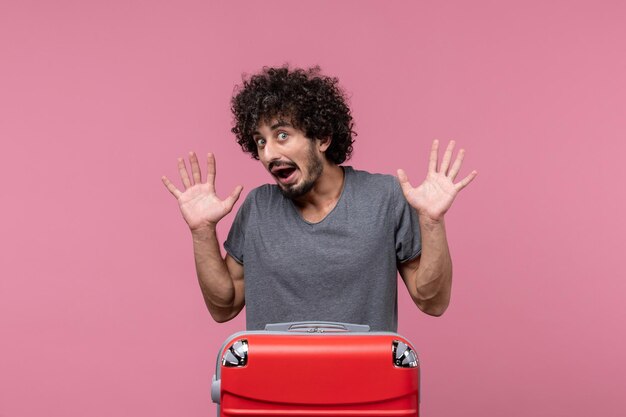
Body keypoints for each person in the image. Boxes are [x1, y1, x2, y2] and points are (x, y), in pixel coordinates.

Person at [162, 66, 477, 331]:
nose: (268, 153)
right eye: (260, 141)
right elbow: (224, 307)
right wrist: (201, 231)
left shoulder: (385, 198)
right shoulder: (258, 208)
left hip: (365, 394)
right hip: (272, 394)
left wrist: (432, 222)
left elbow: (432, 301)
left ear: (323, 138)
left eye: (282, 135)